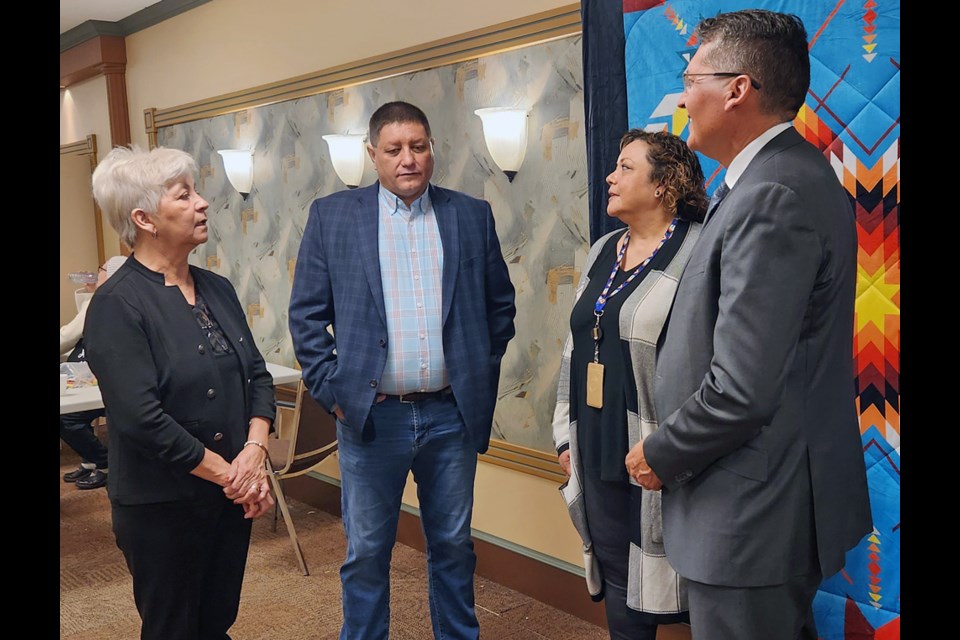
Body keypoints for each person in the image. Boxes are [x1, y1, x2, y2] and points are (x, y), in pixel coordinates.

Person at [626, 10, 872, 639]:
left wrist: (661, 451)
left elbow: (742, 388)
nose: (681, 96)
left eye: (691, 77)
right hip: (755, 498)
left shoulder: (772, 193)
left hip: (751, 507)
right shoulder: (771, 179)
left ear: (737, 88)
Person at [289, 100, 516, 640]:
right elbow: (306, 316)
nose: (408, 159)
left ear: (432, 148)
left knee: (454, 546)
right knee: (367, 551)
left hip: (449, 417)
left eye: (418, 146)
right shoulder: (333, 216)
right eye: (394, 149)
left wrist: (474, 374)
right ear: (373, 155)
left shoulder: (470, 214)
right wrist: (335, 393)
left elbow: (499, 308)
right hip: (371, 419)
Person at [84, 145, 277, 640]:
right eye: (184, 195)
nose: (203, 203)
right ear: (145, 218)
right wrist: (232, 477)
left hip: (227, 494)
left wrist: (253, 454)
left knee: (216, 621)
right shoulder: (116, 303)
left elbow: (256, 376)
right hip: (162, 506)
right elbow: (140, 420)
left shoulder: (218, 288)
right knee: (173, 629)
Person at [552, 130, 706, 639]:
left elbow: (710, 364)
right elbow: (575, 347)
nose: (610, 177)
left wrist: (672, 449)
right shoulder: (602, 250)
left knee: (690, 588)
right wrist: (564, 436)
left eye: (625, 168)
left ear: (663, 184)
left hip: (662, 452)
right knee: (620, 583)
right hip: (596, 448)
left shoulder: (699, 251)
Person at [59, 255, 126, 490]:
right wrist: (91, 290)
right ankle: (90, 461)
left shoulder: (111, 302)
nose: (97, 272)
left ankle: (102, 462)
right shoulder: (101, 300)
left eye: (102, 269)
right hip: (88, 377)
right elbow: (83, 325)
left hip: (108, 384)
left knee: (68, 419)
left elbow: (70, 335)